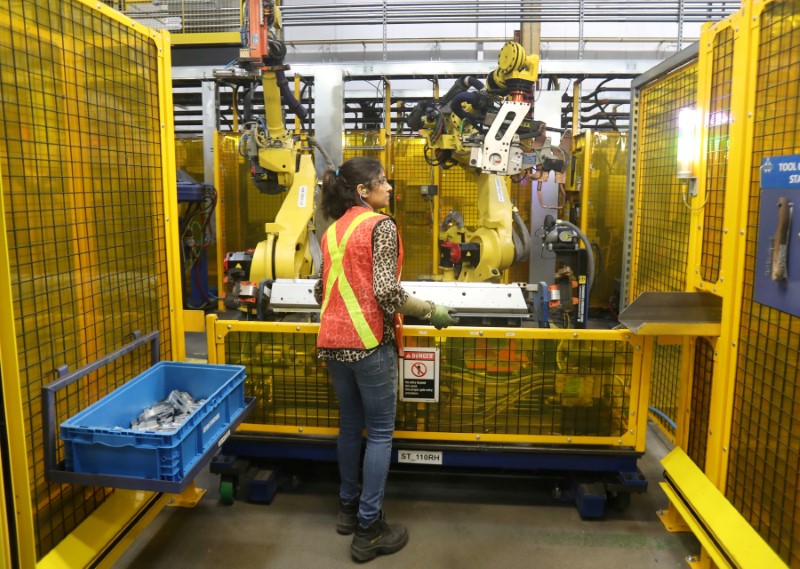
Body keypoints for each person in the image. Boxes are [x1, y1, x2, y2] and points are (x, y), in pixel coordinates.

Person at [314, 156, 457, 562]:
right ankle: (369, 528)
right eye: (383, 182)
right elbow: (386, 293)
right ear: (364, 191)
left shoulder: (333, 231)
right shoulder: (381, 226)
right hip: (369, 345)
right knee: (379, 434)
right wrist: (431, 311)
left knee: (349, 425)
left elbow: (318, 290)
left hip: (332, 343)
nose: (389, 188)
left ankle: (347, 508)